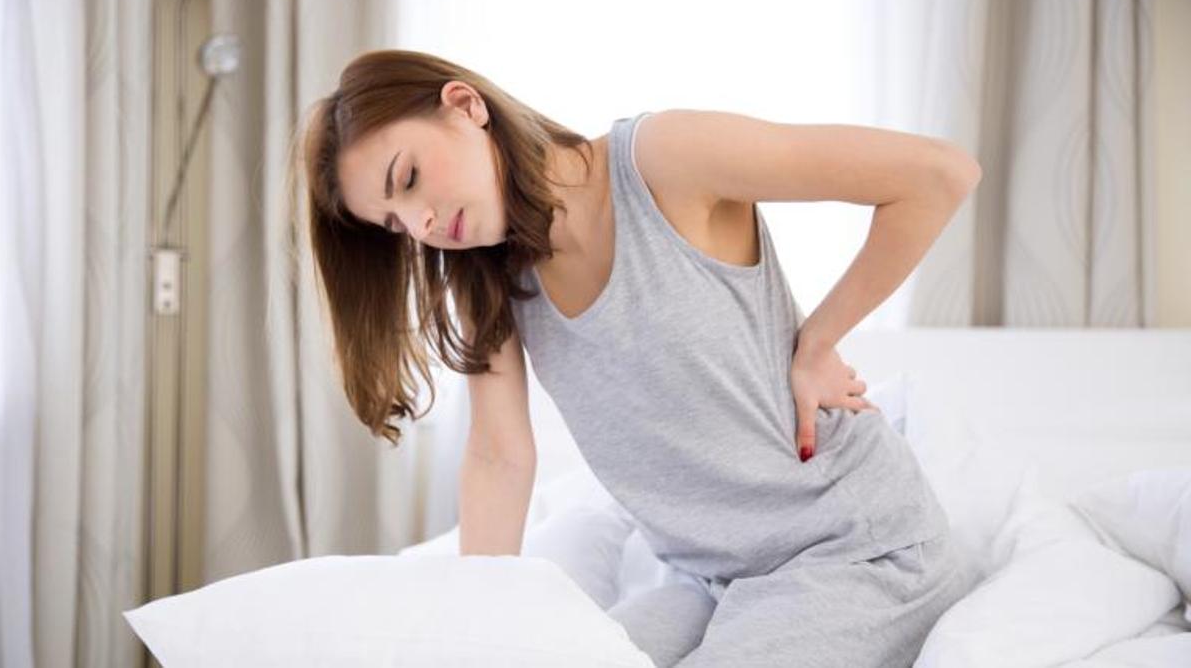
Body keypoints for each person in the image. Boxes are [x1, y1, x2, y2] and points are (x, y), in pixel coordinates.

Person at [291, 48, 982, 667]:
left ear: (466, 105)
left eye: (409, 178)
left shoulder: (664, 158)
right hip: (709, 578)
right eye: (395, 223)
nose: (422, 225)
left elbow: (938, 175)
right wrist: (481, 625)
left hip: (855, 548)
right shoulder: (489, 278)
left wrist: (819, 341)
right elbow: (499, 454)